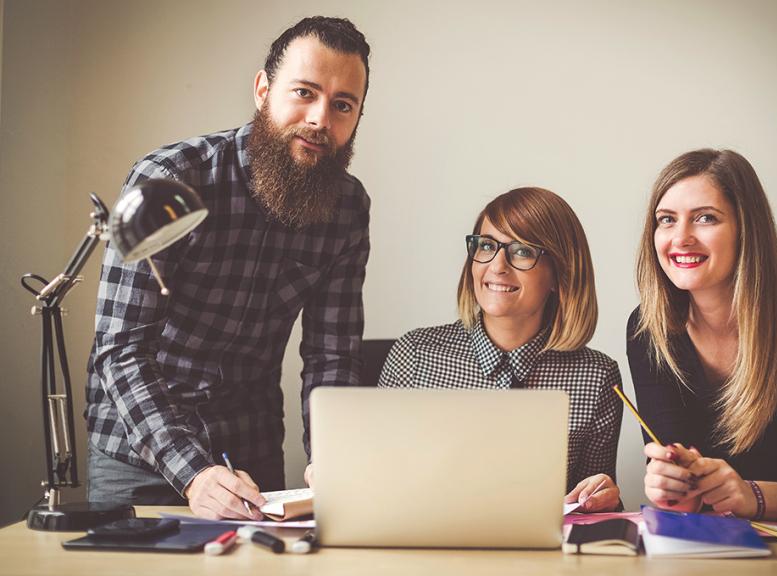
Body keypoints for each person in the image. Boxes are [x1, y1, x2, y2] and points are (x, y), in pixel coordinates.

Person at [85, 16, 372, 520]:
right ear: (263, 89)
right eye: (304, 92)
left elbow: (333, 357)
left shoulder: (348, 208)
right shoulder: (169, 178)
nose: (320, 119)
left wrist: (333, 456)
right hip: (139, 450)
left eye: (342, 104)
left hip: (250, 449)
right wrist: (193, 472)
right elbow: (121, 348)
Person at [627, 148, 777, 522]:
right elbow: (683, 486)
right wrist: (674, 489)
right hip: (705, 547)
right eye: (666, 220)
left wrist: (750, 494)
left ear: (746, 228)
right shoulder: (648, 328)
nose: (681, 237)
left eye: (705, 218)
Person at [379, 187, 623, 512]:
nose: (497, 266)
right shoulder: (415, 355)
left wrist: (606, 501)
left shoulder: (597, 377)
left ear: (559, 273)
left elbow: (592, 514)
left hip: (539, 559)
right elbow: (377, 484)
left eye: (521, 251)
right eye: (486, 246)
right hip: (424, 550)